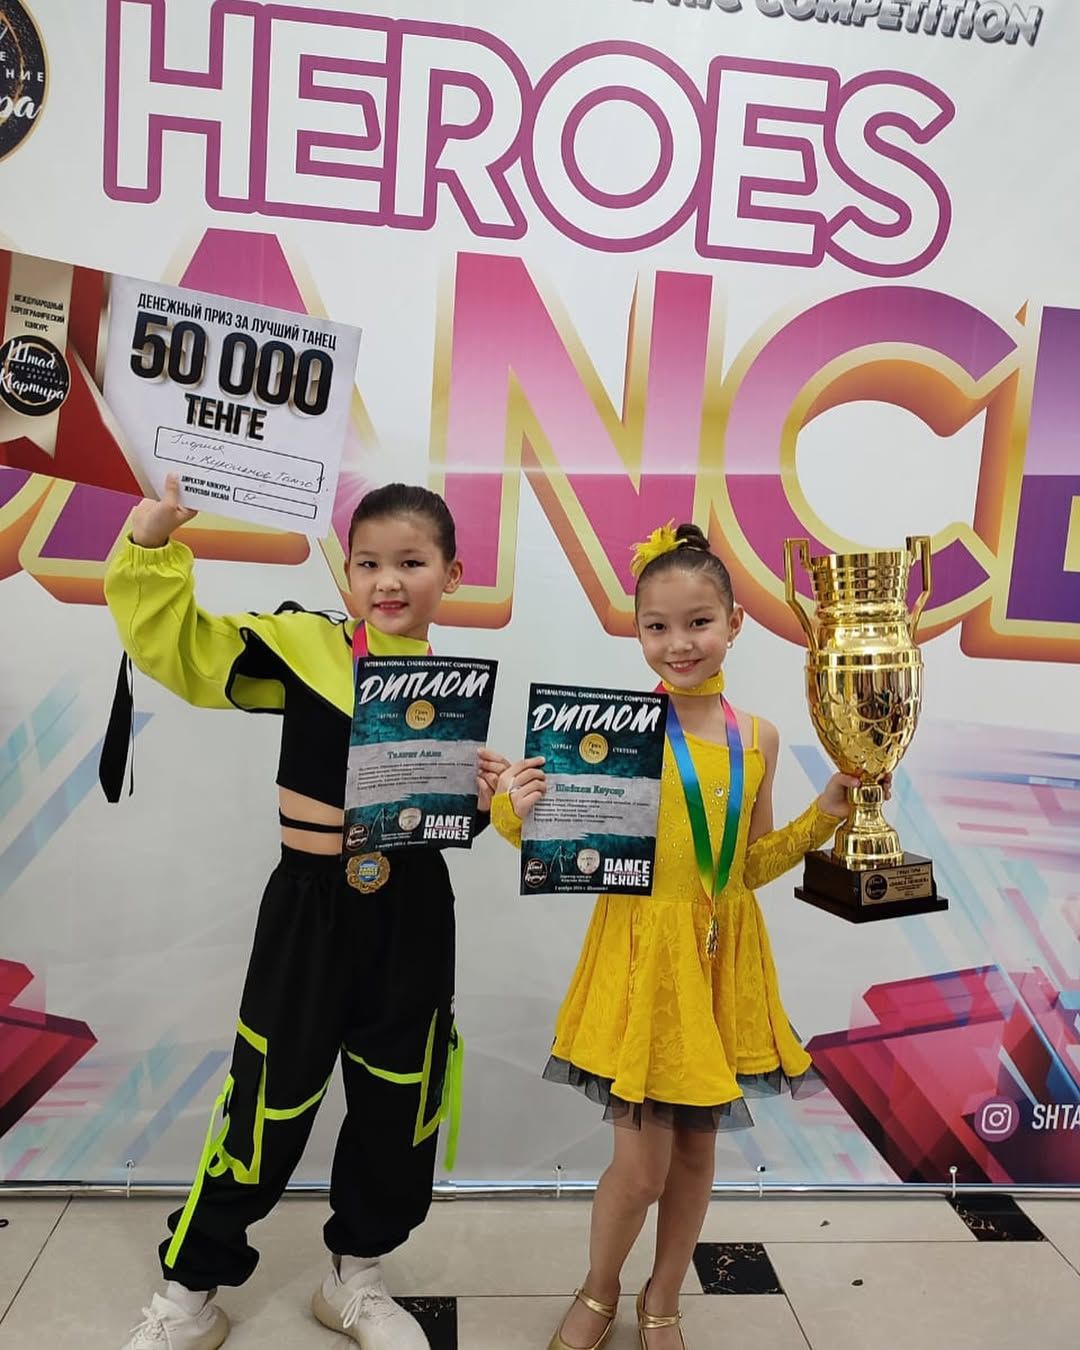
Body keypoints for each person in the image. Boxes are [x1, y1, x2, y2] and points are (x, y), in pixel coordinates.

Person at [103, 475, 507, 1350]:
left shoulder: (452, 691)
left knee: (400, 1100)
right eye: (368, 563)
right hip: (309, 911)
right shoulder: (307, 646)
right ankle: (188, 1294)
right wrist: (151, 542)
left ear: (452, 573)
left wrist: (483, 799)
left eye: (412, 562)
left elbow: (438, 824)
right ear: (345, 573)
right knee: (266, 1102)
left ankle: (354, 1278)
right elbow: (187, 653)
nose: (388, 580)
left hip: (412, 916)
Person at [492, 522, 885, 1350]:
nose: (679, 643)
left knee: (698, 1160)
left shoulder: (758, 737)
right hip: (642, 961)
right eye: (657, 626)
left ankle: (662, 1297)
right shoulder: (610, 732)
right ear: (637, 632)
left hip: (720, 963)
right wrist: (513, 810)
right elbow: (559, 844)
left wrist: (823, 817)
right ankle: (599, 1288)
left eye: (699, 622)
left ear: (734, 623)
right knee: (639, 1171)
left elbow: (747, 866)